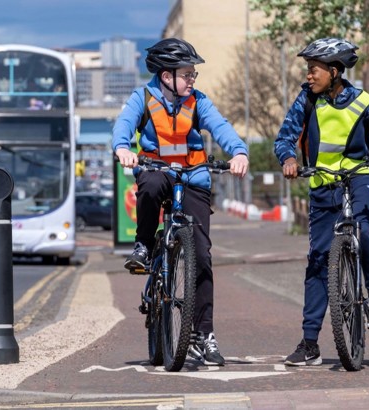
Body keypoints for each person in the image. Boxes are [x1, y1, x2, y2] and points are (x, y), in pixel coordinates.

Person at [112, 38, 249, 366]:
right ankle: (144, 245)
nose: (192, 80)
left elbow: (221, 127)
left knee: (201, 256)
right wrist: (122, 148)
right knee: (150, 185)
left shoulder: (198, 101)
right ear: (166, 76)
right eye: (187, 74)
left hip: (193, 177)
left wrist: (239, 152)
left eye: (193, 74)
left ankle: (203, 334)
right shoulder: (143, 98)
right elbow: (124, 125)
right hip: (157, 171)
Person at [273, 37, 369, 366]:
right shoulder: (306, 100)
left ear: (334, 71)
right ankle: (309, 344)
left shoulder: (363, 102)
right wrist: (288, 158)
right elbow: (285, 137)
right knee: (318, 260)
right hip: (322, 184)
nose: (308, 76)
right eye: (307, 70)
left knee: (365, 230)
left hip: (358, 178)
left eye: (313, 70)